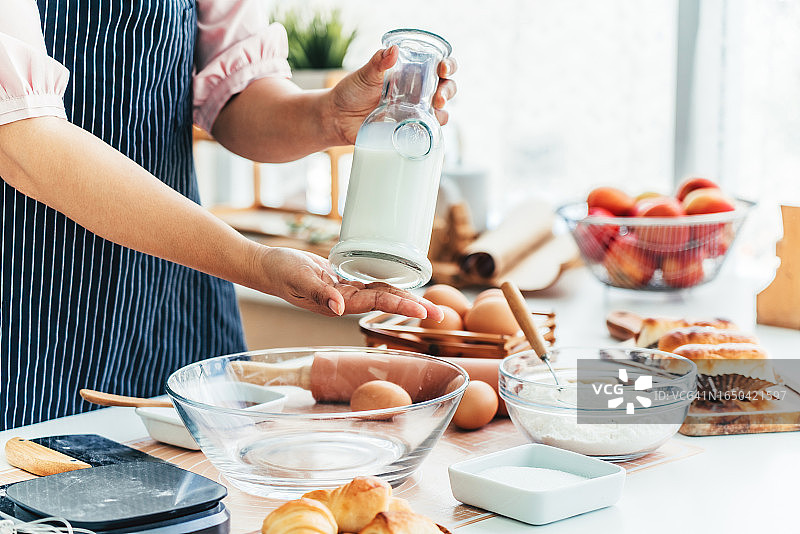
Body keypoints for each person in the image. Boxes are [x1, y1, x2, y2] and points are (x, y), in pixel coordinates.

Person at [0, 0, 456, 430]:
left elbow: (236, 97)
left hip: (167, 296)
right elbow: (22, 140)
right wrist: (257, 263)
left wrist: (328, 116)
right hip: (21, 297)